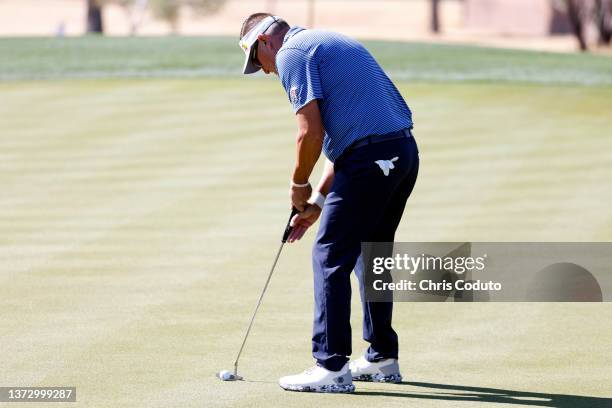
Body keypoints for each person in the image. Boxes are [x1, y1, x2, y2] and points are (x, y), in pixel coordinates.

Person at [238, 13, 419, 393]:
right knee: (370, 253)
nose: (266, 71)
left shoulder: (291, 54)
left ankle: (331, 365)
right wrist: (318, 200)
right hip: (401, 152)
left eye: (258, 60)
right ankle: (382, 357)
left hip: (372, 159)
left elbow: (311, 133)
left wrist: (298, 184)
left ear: (265, 42)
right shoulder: (327, 40)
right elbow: (350, 142)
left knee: (329, 253)